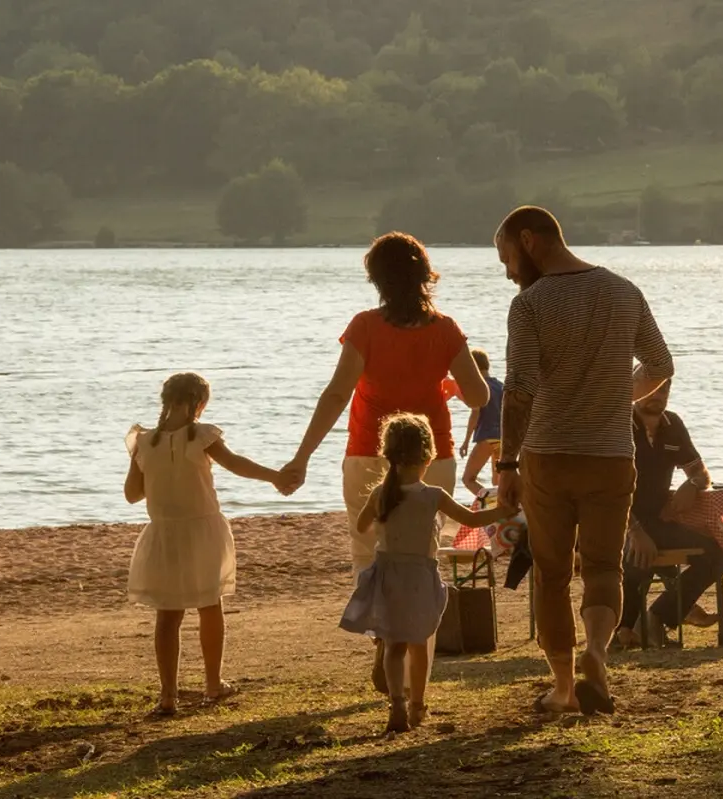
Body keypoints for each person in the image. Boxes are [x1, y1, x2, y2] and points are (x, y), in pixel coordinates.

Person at [278, 232, 490, 692]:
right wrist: (448, 387)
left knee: (370, 555)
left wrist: (301, 457)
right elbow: (479, 394)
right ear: (423, 276)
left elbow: (337, 394)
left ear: (376, 278)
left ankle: (382, 639)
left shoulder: (365, 327)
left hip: (368, 455)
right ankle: (416, 680)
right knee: (423, 560)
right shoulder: (447, 329)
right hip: (434, 458)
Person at [494, 206, 674, 716]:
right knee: (603, 567)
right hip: (612, 456)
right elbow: (661, 364)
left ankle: (564, 688)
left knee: (551, 574)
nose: (508, 270)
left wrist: (506, 465)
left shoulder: (530, 304)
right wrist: (619, 398)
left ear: (528, 241)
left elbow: (520, 391)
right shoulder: (623, 291)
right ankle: (597, 654)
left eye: (505, 256)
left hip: (548, 456)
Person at [339, 414, 514, 733]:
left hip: (389, 574)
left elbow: (362, 526)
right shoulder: (433, 495)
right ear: (428, 456)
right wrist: (504, 510)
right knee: (419, 643)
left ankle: (397, 703)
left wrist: (381, 522)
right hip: (420, 577)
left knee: (394, 645)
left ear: (387, 455)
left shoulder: (381, 493)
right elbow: (471, 521)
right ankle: (417, 705)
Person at [123, 372, 282, 715]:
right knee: (209, 605)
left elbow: (132, 494)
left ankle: (169, 696)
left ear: (165, 402)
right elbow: (236, 464)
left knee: (168, 615)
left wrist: (158, 472)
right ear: (198, 404)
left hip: (165, 533)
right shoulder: (202, 436)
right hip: (202, 530)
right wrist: (276, 477)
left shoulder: (144, 442)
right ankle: (212, 684)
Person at [613, 379, 723, 649]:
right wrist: (635, 531)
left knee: (718, 554)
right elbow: (605, 490)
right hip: (617, 520)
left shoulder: (672, 424)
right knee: (637, 558)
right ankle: (624, 630)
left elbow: (701, 473)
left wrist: (693, 483)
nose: (657, 395)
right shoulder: (616, 424)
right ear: (633, 390)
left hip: (659, 520)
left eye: (663, 390)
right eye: (650, 389)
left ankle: (659, 615)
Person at [458, 348, 505, 498]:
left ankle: (489, 503)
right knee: (498, 482)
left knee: (468, 479)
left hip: (487, 437)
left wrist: (466, 441)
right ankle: (499, 510)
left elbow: (475, 412)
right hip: (503, 438)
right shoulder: (501, 386)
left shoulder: (479, 386)